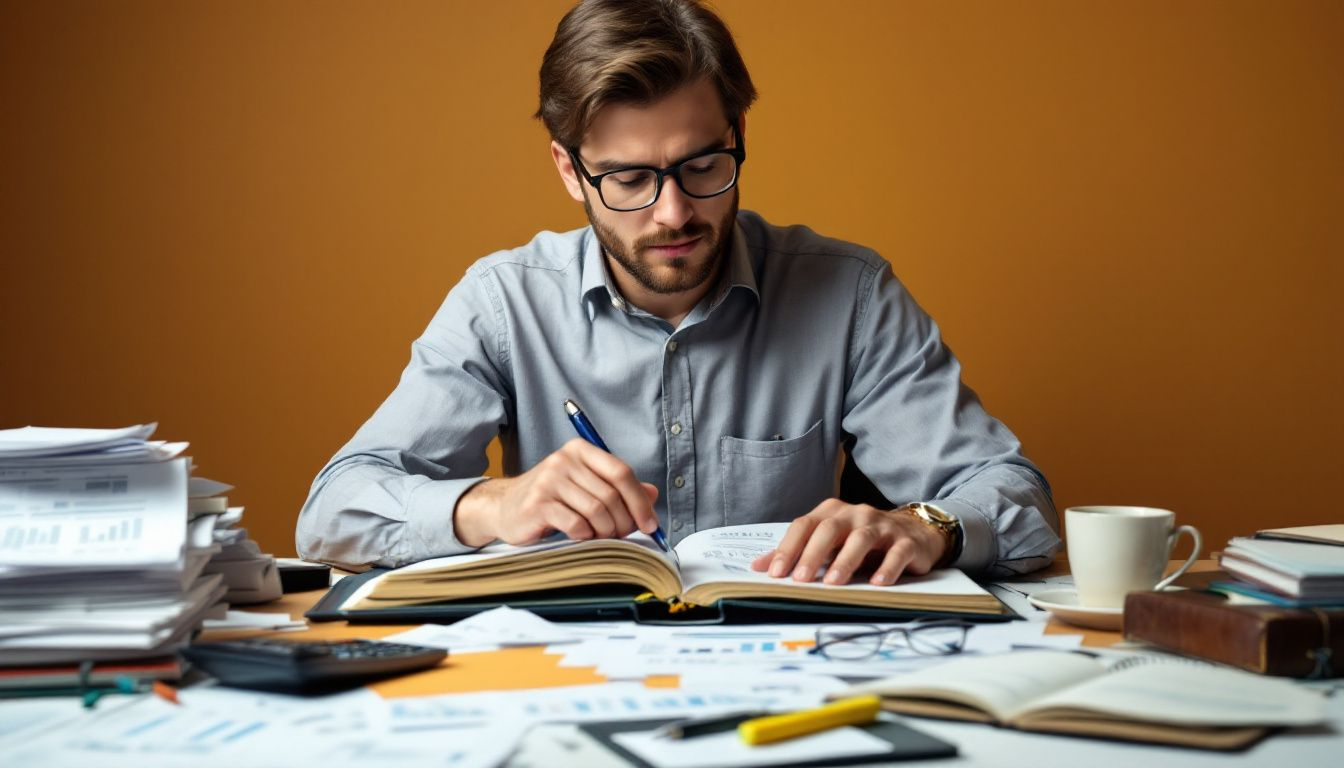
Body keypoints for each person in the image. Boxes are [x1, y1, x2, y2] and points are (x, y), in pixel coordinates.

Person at [297, 0, 1060, 584]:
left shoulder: (848, 294)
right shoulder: (504, 303)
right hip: (561, 669)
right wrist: (492, 505)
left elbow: (1014, 497)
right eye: (628, 178)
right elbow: (334, 512)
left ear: (739, 135)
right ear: (570, 171)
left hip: (794, 667)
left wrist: (928, 526)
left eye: (702, 166)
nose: (673, 213)